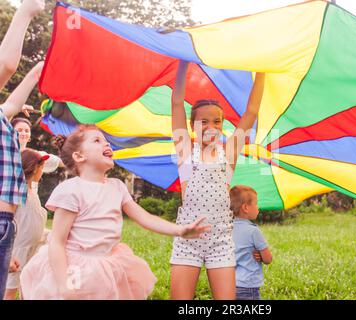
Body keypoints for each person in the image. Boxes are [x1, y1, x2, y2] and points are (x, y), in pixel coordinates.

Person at [20, 125, 210, 300]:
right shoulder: (71, 190)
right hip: (75, 268)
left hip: (107, 266)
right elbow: (57, 242)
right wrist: (64, 283)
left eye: (106, 140)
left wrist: (180, 230)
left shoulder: (117, 187)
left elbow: (144, 217)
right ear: (79, 156)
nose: (106, 144)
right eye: (97, 140)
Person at [170, 60, 265, 300]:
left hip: (220, 242)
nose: (211, 126)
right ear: (192, 126)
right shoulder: (185, 151)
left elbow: (251, 112)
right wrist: (182, 61)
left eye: (217, 121)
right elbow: (176, 102)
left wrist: (263, 67)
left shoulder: (229, 152)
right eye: (204, 121)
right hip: (188, 241)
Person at [0, 0, 45, 299]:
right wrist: (25, 11)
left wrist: (38, 71)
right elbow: (6, 66)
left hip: (7, 224)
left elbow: (12, 105)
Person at [4, 149, 49, 300]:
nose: (42, 171)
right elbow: (5, 222)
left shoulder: (31, 191)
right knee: (9, 293)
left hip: (32, 251)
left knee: (29, 289)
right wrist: (7, 256)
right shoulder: (17, 191)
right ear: (35, 168)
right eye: (42, 167)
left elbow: (31, 220)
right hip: (16, 252)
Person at [230, 185, 272, 300]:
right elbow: (268, 259)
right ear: (246, 207)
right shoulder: (254, 231)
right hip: (248, 287)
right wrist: (262, 256)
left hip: (229, 285)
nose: (258, 207)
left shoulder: (227, 229)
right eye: (256, 203)